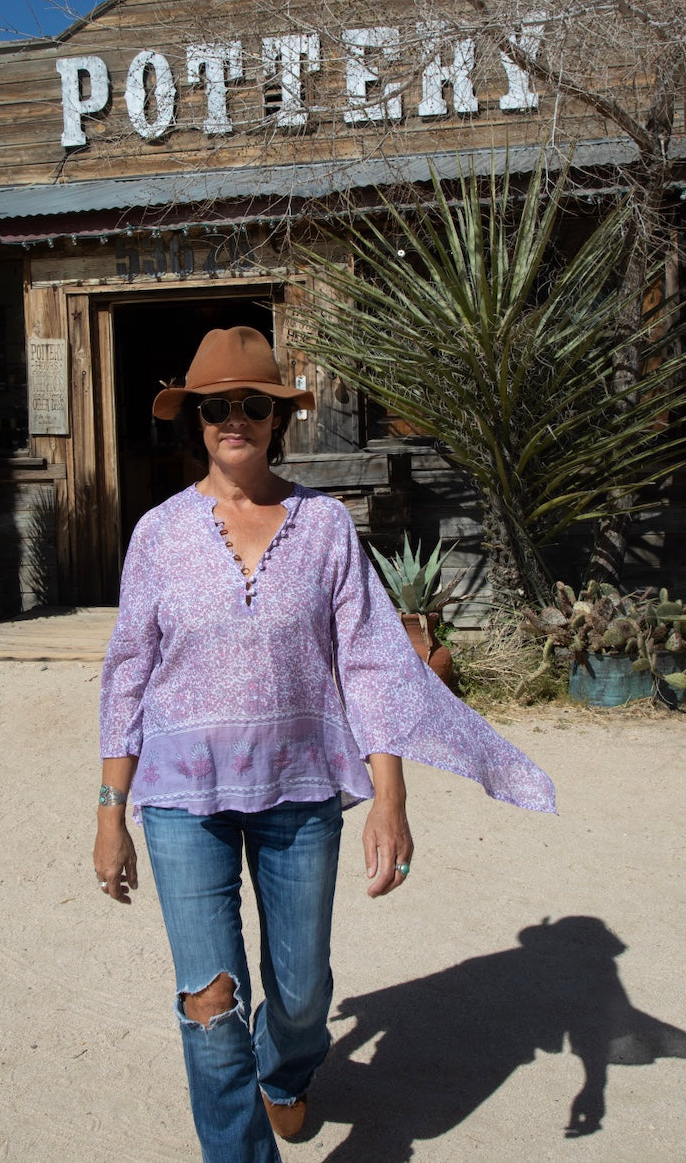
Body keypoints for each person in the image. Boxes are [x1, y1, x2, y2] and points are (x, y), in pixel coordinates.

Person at [94, 326, 555, 1163]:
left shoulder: (325, 526)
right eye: (216, 408)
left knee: (302, 996)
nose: (235, 420)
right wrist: (108, 813)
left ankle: (286, 1072)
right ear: (195, 420)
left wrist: (391, 800)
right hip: (181, 797)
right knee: (211, 1003)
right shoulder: (157, 534)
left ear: (278, 418)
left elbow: (374, 664)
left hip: (302, 791)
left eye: (253, 404)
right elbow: (127, 673)